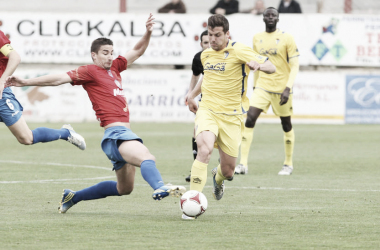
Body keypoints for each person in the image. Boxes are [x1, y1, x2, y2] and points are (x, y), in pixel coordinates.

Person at [6, 13, 186, 214]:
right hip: (117, 135)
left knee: (124, 189)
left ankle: (73, 196)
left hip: (119, 136)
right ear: (94, 55)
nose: (110, 56)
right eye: (105, 53)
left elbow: (137, 50)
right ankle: (159, 186)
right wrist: (26, 82)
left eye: (112, 52)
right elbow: (59, 78)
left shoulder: (116, 67)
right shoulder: (90, 71)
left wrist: (148, 32)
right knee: (146, 157)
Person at [184, 14, 275, 219]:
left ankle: (218, 179)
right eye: (209, 34)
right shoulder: (206, 55)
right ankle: (192, 202)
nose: (213, 39)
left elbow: (272, 66)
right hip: (207, 110)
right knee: (204, 149)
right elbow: (207, 78)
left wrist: (259, 65)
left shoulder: (239, 50)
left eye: (217, 35)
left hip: (232, 117)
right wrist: (191, 95)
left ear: (227, 34)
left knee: (229, 171)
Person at [235, 7, 299, 176]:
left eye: (273, 15)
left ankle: (288, 164)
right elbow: (257, 64)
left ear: (278, 19)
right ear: (263, 18)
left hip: (282, 89)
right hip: (262, 86)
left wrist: (288, 87)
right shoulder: (257, 38)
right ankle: (242, 164)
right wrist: (254, 87)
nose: (270, 17)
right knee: (249, 119)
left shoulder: (287, 38)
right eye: (267, 15)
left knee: (286, 125)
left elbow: (295, 65)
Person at [0, 30, 86, 150]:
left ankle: (66, 133)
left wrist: (2, 81)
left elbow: (15, 57)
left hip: (1, 94)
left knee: (26, 138)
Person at [184, 30, 209, 183]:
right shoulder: (199, 58)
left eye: (210, 41)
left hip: (226, 104)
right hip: (206, 102)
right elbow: (195, 77)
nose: (209, 45)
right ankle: (196, 168)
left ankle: (223, 168)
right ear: (201, 44)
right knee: (197, 131)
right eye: (205, 42)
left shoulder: (224, 56)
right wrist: (190, 95)